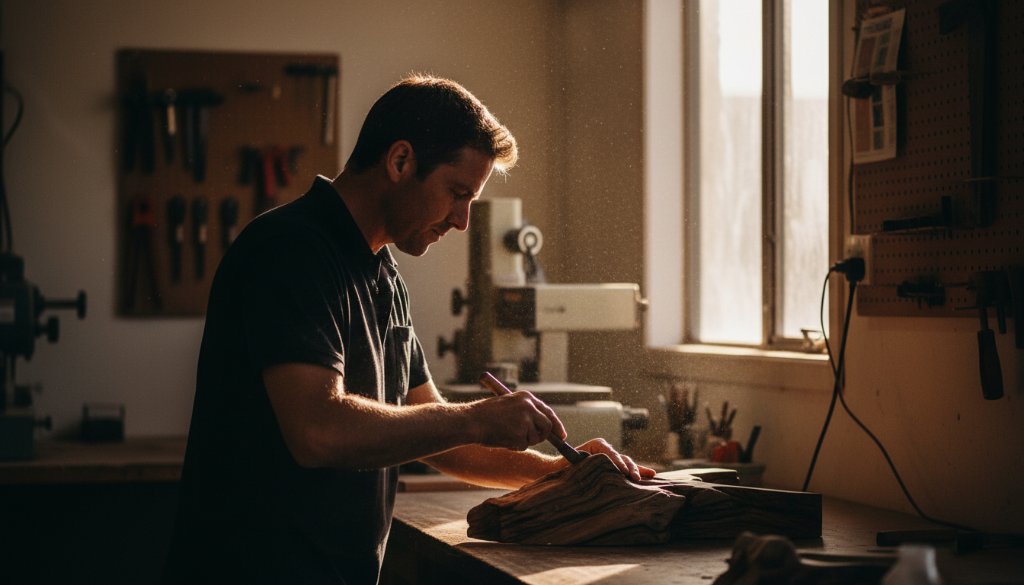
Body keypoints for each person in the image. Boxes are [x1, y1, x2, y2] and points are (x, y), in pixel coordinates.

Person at [162, 74, 654, 585]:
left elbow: (440, 437)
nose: (463, 221)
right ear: (400, 162)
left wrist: (564, 472)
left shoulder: (384, 275)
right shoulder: (290, 250)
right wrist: (478, 418)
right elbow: (318, 431)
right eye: (457, 192)